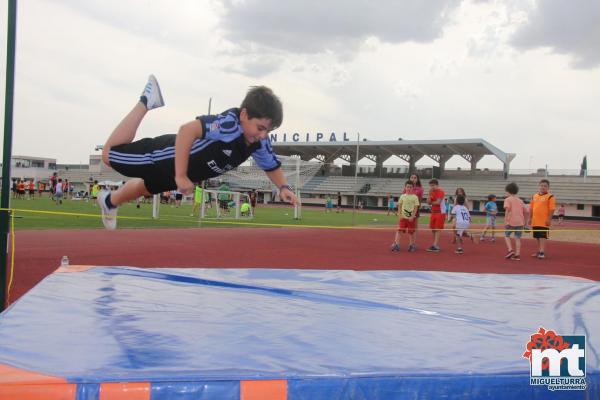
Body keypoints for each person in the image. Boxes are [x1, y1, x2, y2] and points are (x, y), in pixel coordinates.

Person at [97, 75, 297, 229]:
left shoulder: (258, 142)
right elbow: (187, 130)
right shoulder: (229, 124)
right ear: (244, 114)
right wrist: (181, 175)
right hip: (167, 155)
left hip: (181, 173)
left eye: (268, 131)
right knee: (109, 155)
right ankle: (146, 100)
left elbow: (272, 165)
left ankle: (109, 201)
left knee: (144, 188)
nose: (263, 135)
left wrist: (284, 188)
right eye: (260, 128)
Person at [529, 179, 556, 260]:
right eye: (541, 185)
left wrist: (549, 219)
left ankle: (542, 252)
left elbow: (552, 209)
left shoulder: (550, 197)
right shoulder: (534, 196)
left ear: (548, 187)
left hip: (544, 221)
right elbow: (531, 208)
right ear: (539, 186)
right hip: (535, 220)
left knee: (542, 237)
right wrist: (530, 218)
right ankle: (539, 250)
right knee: (537, 237)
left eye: (545, 186)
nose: (543, 187)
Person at [391, 181, 419, 253]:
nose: (408, 188)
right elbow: (399, 206)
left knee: (411, 232)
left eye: (410, 187)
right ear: (405, 187)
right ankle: (396, 244)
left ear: (413, 188)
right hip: (403, 218)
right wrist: (399, 215)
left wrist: (412, 216)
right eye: (407, 187)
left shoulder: (415, 197)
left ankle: (411, 245)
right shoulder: (402, 196)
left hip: (410, 219)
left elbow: (416, 208)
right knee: (399, 230)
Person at [503, 182, 528, 261]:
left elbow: (507, 211)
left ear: (508, 191)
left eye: (506, 191)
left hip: (511, 221)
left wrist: (506, 222)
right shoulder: (520, 200)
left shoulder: (507, 199)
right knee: (517, 238)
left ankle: (510, 250)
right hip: (520, 222)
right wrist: (526, 223)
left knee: (506, 236)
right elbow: (527, 211)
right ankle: (517, 254)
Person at [426, 179, 445, 252]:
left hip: (440, 212)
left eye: (433, 185)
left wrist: (431, 202)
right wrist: (428, 194)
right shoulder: (431, 192)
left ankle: (435, 245)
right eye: (430, 186)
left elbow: (438, 202)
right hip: (433, 212)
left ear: (437, 185)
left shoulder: (441, 191)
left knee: (437, 229)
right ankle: (435, 244)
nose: (432, 187)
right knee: (433, 229)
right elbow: (428, 202)